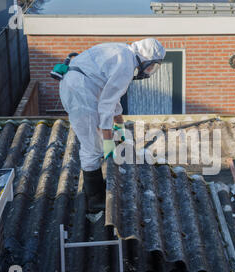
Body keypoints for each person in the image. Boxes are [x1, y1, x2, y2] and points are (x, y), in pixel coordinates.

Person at [59, 38, 166, 212]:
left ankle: (94, 189)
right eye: (152, 66)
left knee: (96, 141)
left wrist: (120, 126)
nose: (150, 70)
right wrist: (108, 140)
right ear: (145, 58)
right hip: (79, 91)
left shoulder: (124, 53)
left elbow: (111, 96)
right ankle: (94, 200)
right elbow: (106, 105)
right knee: (92, 147)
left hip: (80, 85)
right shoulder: (126, 67)